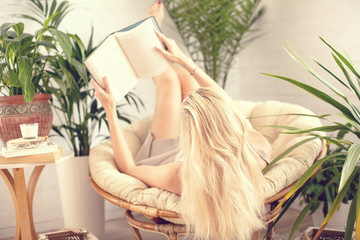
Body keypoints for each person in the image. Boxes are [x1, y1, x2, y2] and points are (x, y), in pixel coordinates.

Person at [91, 2, 272, 239]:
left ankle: (149, 39)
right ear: (227, 123)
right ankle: (156, 38)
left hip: (164, 157)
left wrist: (110, 109)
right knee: (182, 74)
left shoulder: (179, 174)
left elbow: (129, 169)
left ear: (189, 133)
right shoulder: (255, 152)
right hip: (200, 153)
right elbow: (223, 102)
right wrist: (184, 59)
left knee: (169, 78)